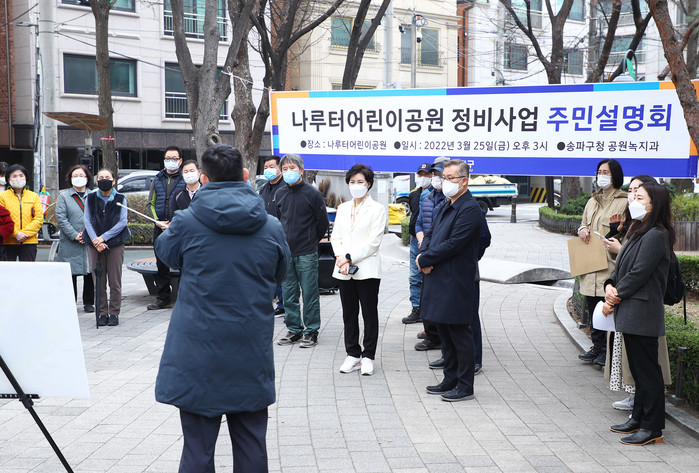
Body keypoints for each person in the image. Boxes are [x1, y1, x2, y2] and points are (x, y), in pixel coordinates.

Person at [155, 144, 290, 473]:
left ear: (203, 178)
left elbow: (166, 255)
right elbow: (280, 273)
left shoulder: (187, 221)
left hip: (198, 348)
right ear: (245, 175)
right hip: (249, 346)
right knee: (251, 444)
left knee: (197, 449)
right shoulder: (270, 225)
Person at [604, 181, 673, 446]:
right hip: (630, 308)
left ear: (654, 205)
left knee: (647, 372)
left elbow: (639, 273)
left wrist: (616, 294)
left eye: (640, 197)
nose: (633, 200)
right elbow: (621, 266)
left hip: (642, 311)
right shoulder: (637, 229)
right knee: (638, 369)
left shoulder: (657, 234)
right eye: (633, 195)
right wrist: (610, 284)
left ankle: (652, 427)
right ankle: (638, 417)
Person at [417, 159, 482, 402]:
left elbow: (455, 243)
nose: (444, 182)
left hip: (456, 280)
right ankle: (450, 378)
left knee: (459, 333)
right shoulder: (446, 204)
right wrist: (424, 255)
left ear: (464, 181)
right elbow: (431, 233)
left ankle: (465, 385)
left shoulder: (470, 209)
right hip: (438, 276)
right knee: (444, 331)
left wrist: (426, 258)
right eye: (444, 177)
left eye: (450, 178)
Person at [332, 164, 387, 376]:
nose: (356, 185)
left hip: (367, 269)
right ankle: (353, 354)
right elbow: (336, 237)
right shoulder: (343, 208)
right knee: (349, 313)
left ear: (368, 184)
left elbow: (373, 242)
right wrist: (341, 258)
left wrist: (348, 257)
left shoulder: (377, 209)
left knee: (369, 314)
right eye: (352, 182)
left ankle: (368, 356)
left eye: (360, 182)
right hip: (344, 269)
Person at [273, 154, 329, 348]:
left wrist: (311, 241)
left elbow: (322, 223)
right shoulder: (280, 193)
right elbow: (278, 220)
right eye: (285, 169)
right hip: (287, 253)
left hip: (306, 252)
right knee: (289, 294)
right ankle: (294, 330)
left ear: (301, 170)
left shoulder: (313, 194)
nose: (288, 172)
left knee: (309, 294)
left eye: (292, 168)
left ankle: (311, 331)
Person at [577, 159, 628, 367]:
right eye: (599, 172)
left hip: (609, 264)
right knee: (593, 308)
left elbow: (627, 233)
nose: (601, 176)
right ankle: (597, 347)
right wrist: (582, 230)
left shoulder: (624, 201)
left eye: (605, 172)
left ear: (615, 175)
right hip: (591, 263)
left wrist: (618, 230)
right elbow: (583, 224)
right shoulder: (592, 201)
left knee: (608, 309)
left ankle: (608, 351)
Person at [84, 169, 131, 327]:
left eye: (107, 177)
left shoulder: (120, 198)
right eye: (101, 177)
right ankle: (102, 312)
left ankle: (114, 312)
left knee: (114, 281)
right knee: (99, 281)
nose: (104, 180)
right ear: (97, 181)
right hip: (94, 245)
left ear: (114, 180)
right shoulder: (90, 198)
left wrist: (103, 238)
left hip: (115, 244)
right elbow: (87, 221)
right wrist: (96, 241)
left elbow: (122, 222)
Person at [413, 160, 446, 350]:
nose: (436, 178)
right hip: (425, 252)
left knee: (442, 300)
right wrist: (421, 240)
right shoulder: (427, 198)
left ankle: (443, 338)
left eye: (439, 175)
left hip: (441, 255)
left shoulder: (450, 201)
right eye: (434, 175)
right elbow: (419, 223)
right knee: (427, 297)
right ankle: (431, 336)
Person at [147, 146, 186, 310]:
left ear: (180, 161)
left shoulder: (185, 179)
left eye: (174, 158)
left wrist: (174, 223)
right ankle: (163, 297)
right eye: (168, 158)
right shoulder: (156, 179)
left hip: (179, 228)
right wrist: (157, 221)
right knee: (161, 262)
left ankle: (184, 298)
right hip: (160, 228)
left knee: (183, 262)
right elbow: (150, 204)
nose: (171, 161)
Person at [55, 165, 95, 313]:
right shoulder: (64, 197)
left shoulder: (93, 196)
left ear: (87, 178)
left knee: (90, 272)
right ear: (70, 179)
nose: (78, 178)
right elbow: (61, 218)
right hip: (70, 241)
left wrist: (88, 235)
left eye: (81, 175)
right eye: (75, 176)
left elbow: (97, 217)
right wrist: (74, 235)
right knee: (70, 273)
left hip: (89, 240)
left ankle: (89, 302)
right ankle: (70, 301)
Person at [402, 162, 432, 325]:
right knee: (414, 275)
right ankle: (416, 308)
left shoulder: (434, 193)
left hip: (430, 241)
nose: (423, 177)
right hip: (415, 240)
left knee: (429, 276)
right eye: (420, 174)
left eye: (426, 174)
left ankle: (429, 311)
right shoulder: (413, 194)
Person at [258, 156, 286, 316]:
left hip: (282, 235)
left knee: (282, 271)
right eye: (266, 167)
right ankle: (277, 303)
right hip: (265, 236)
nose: (268, 170)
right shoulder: (264, 189)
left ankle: (284, 304)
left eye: (271, 166)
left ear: (279, 168)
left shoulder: (285, 187)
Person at [0, 164, 43, 261]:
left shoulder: (34, 196)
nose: (18, 178)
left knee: (28, 269)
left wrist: (23, 234)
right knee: (7, 269)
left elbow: (39, 219)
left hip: (29, 241)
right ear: (8, 179)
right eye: (14, 176)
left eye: (21, 175)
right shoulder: (2, 197)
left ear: (25, 177)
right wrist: (16, 233)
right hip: (8, 241)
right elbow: (2, 220)